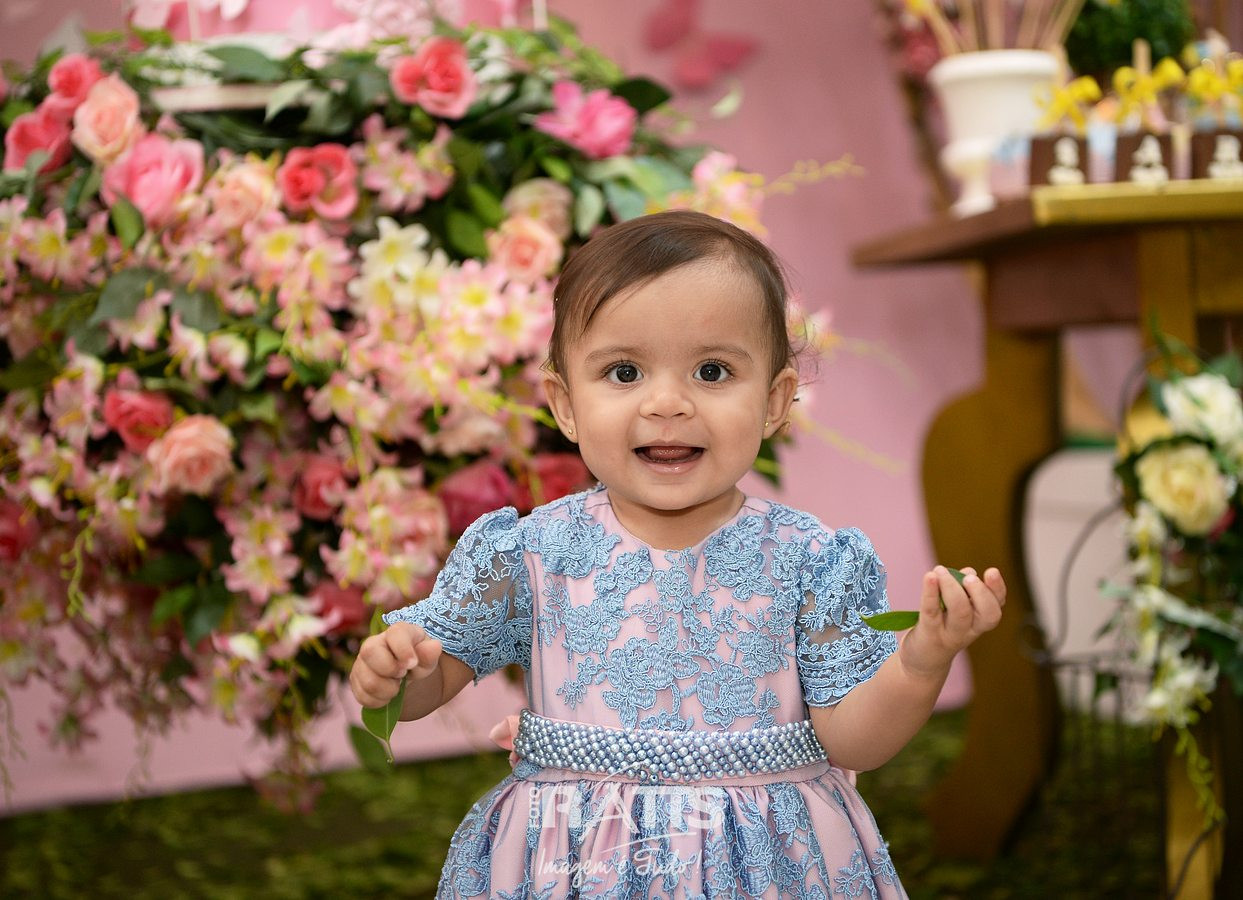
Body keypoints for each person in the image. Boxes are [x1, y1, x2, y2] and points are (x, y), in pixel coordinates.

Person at [349, 209, 1006, 898]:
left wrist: (921, 660)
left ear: (775, 400)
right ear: (565, 404)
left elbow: (854, 742)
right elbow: (438, 675)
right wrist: (404, 673)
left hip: (767, 863)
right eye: (624, 371)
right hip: (578, 862)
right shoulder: (531, 552)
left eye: (712, 371)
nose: (667, 403)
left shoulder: (811, 561)